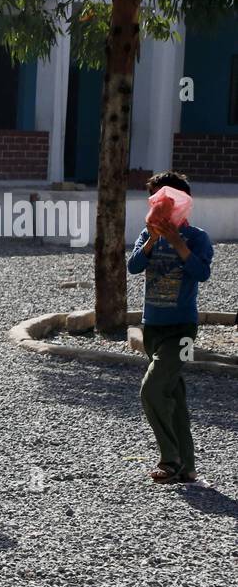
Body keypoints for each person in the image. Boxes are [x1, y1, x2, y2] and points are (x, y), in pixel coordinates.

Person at [127, 170, 214, 484]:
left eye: (163, 200)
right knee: (173, 395)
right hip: (153, 327)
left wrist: (178, 242)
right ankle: (187, 467)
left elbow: (201, 273)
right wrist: (152, 239)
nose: (157, 207)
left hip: (183, 331)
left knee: (152, 390)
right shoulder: (147, 233)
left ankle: (169, 459)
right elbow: (134, 266)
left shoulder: (198, 237)